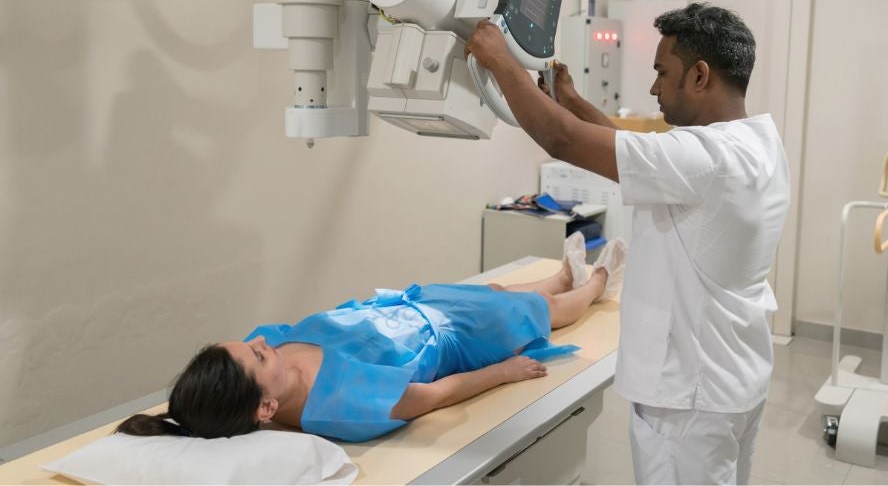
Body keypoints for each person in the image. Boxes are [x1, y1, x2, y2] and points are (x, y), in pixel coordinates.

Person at [465, 2, 790, 485]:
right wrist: (572, 101)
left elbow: (561, 139)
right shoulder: (756, 143)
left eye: (662, 73)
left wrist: (498, 58)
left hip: (689, 398)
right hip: (733, 379)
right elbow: (643, 157)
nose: (654, 88)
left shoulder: (707, 157)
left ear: (700, 75)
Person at [116, 236, 626, 443]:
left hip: (408, 308)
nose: (260, 343)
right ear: (265, 409)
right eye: (255, 356)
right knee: (541, 314)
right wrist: (503, 372)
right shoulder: (342, 405)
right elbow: (434, 396)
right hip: (452, 338)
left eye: (247, 344)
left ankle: (561, 275)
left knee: (494, 291)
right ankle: (597, 285)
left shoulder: (265, 357)